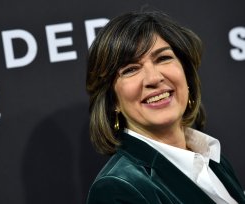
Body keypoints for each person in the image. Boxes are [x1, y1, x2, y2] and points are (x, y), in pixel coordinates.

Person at [86, 10, 245, 204]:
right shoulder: (116, 189)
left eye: (163, 58)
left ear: (185, 73)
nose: (154, 78)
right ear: (113, 101)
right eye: (131, 69)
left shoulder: (210, 156)